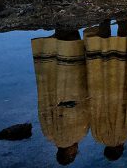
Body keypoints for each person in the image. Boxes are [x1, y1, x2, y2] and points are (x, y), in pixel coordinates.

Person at [84, 19, 127, 162]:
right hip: (102, 85)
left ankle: (123, 18)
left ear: (120, 148)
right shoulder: (97, 135)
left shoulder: (126, 134)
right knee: (102, 51)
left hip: (122, 85)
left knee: (125, 49)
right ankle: (104, 21)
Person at [32, 29, 89, 165]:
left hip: (72, 90)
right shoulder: (48, 135)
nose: (77, 149)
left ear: (70, 153)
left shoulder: (79, 134)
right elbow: (43, 109)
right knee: (57, 66)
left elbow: (84, 110)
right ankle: (61, 32)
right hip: (53, 88)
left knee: (72, 56)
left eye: (75, 153)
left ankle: (68, 30)